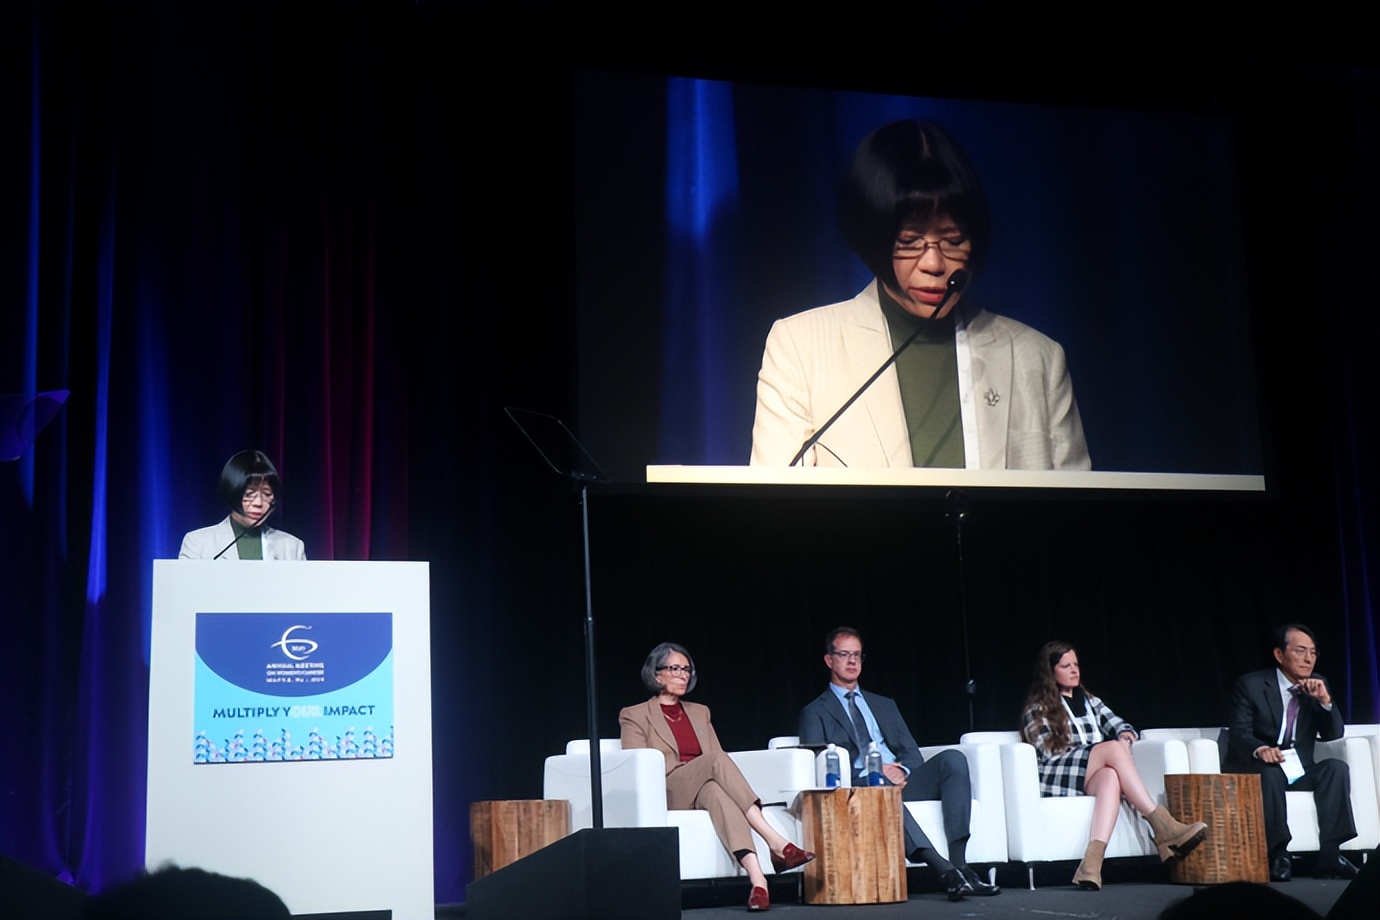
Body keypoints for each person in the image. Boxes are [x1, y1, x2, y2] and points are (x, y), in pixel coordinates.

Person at [750, 119, 1089, 471]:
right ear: (873, 238)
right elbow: (777, 499)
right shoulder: (800, 348)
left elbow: (1076, 503)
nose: (934, 263)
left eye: (953, 241)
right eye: (910, 242)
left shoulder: (1039, 359)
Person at [798, 627, 999, 901]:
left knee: (953, 759)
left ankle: (960, 865)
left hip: (901, 781)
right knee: (880, 784)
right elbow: (819, 765)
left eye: (857, 655)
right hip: (858, 788)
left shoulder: (884, 705)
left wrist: (901, 771)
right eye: (844, 654)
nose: (852, 661)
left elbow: (912, 753)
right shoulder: (814, 711)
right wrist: (876, 771)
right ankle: (944, 871)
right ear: (829, 660)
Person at [620, 642, 814, 912]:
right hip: (666, 788)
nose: (682, 675)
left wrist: (703, 770)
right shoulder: (634, 715)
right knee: (715, 760)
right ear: (657, 674)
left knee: (716, 792)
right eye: (675, 669)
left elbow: (715, 758)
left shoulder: (700, 712)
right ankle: (775, 841)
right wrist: (693, 768)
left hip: (703, 786)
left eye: (686, 670)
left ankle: (758, 882)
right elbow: (635, 764)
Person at [1019, 640, 1207, 890]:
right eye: (1066, 666)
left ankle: (1091, 865)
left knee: (1110, 775)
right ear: (1050, 672)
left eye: (1076, 665)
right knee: (1111, 750)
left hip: (1088, 770)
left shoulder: (1090, 701)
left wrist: (1125, 736)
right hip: (1058, 773)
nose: (1074, 670)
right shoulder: (1036, 709)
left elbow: (1121, 725)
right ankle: (1163, 826)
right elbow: (1049, 752)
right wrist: (1103, 751)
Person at [1224, 624, 1358, 882]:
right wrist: (1261, 749)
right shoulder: (1251, 685)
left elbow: (1333, 734)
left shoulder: (1317, 685)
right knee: (1271, 772)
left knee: (1335, 768)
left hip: (1298, 769)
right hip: (1258, 768)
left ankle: (1331, 854)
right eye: (1300, 651)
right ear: (1279, 654)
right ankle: (1278, 854)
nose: (1308, 659)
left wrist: (1325, 702)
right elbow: (1239, 732)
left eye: (1313, 653)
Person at [178, 450, 306, 560]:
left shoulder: (292, 547)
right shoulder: (197, 543)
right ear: (232, 492)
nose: (258, 503)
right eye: (249, 494)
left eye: (267, 494)